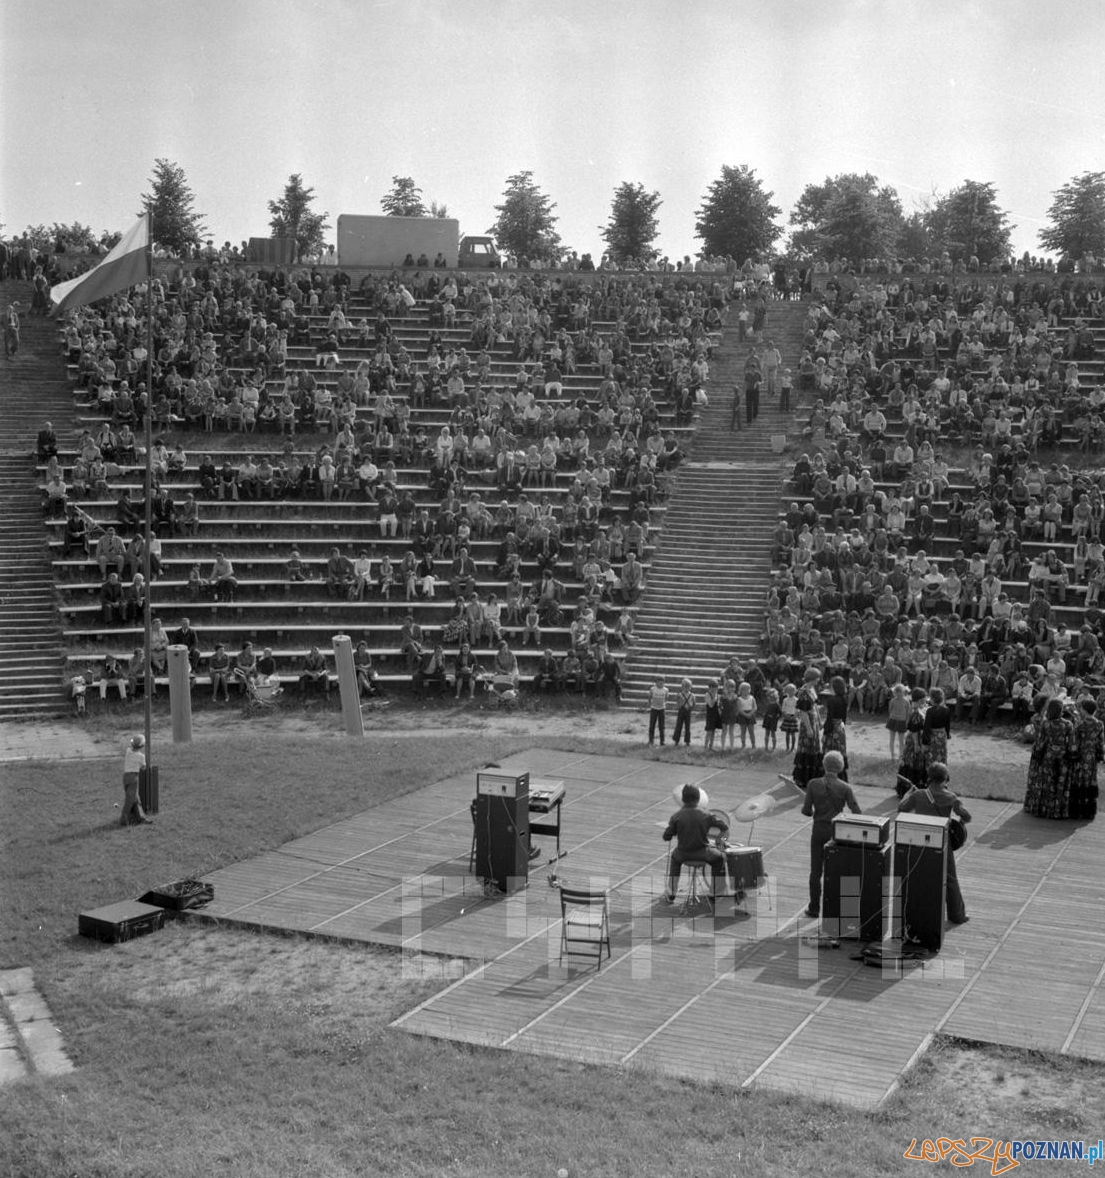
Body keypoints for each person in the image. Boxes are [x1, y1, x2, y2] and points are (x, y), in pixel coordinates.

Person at [898, 762, 970, 925]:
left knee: (918, 877)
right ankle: (957, 915)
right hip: (942, 842)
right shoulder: (951, 797)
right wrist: (957, 822)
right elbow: (967, 817)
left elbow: (901, 809)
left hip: (920, 842)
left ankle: (915, 913)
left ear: (929, 777)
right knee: (950, 878)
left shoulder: (918, 795)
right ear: (945, 779)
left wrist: (908, 795)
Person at [801, 751, 860, 918]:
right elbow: (856, 811)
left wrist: (811, 809)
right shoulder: (845, 787)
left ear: (824, 765)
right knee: (834, 872)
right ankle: (833, 909)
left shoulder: (813, 784)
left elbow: (806, 811)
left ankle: (814, 907)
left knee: (815, 872)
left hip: (818, 830)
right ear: (840, 767)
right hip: (836, 832)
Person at [662, 783, 727, 909]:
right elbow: (725, 827)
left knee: (674, 859)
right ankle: (714, 893)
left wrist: (672, 830)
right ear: (698, 799)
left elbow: (666, 837)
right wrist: (720, 841)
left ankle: (671, 894)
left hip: (682, 854)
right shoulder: (707, 814)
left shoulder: (676, 816)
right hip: (703, 852)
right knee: (720, 858)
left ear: (683, 799)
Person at [1024, 697, 1074, 819]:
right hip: (1063, 758)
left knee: (1047, 783)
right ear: (1061, 710)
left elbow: (1040, 743)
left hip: (1048, 757)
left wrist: (1036, 756)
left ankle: (1043, 809)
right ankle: (1057, 810)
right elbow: (1072, 744)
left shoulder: (1046, 724)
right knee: (1060, 782)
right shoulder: (1068, 724)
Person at [1068, 697, 1102, 821]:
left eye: (1081, 708)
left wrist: (1073, 756)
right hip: (1092, 756)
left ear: (1085, 709)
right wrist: (1099, 755)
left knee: (1079, 781)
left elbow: (1074, 742)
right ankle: (1089, 812)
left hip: (1081, 756)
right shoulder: (1099, 724)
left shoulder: (1080, 725)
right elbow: (1100, 742)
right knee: (1090, 780)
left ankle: (1077, 811)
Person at [119, 734, 152, 826]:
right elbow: (144, 767)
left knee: (136, 799)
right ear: (142, 746)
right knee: (129, 800)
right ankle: (124, 820)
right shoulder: (141, 756)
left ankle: (141, 817)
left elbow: (131, 745)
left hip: (125, 777)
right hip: (133, 778)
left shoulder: (128, 751)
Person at [672, 677, 695, 746]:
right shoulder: (680, 695)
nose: (687, 688)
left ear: (690, 687)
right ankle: (676, 740)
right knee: (679, 726)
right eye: (685, 686)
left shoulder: (692, 695)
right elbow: (677, 704)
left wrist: (691, 708)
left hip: (688, 711)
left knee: (687, 727)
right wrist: (679, 703)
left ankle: (687, 741)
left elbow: (694, 703)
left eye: (688, 687)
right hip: (681, 710)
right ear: (682, 687)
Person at [647, 676, 668, 746]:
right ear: (656, 683)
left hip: (662, 709)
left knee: (662, 726)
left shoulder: (665, 690)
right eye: (659, 683)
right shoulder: (652, 689)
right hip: (654, 709)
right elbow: (649, 697)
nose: (660, 684)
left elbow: (666, 698)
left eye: (662, 683)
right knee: (652, 725)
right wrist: (650, 703)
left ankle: (662, 741)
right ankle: (651, 740)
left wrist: (664, 704)